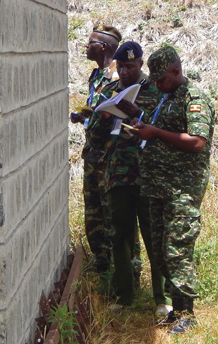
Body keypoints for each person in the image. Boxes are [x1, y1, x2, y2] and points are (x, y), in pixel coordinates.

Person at [132, 46, 215, 333]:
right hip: (159, 188)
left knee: (177, 250)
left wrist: (154, 132)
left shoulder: (194, 99)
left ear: (176, 71)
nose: (157, 84)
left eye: (161, 79)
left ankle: (186, 315)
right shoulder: (167, 98)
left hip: (182, 190)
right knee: (160, 250)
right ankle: (175, 310)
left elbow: (197, 142)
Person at [88, 42, 171, 312]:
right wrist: (103, 115)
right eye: (121, 66)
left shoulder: (156, 93)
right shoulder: (109, 92)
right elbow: (95, 138)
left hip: (147, 176)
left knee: (153, 236)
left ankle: (162, 299)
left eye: (130, 67)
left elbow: (166, 128)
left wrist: (138, 114)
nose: (124, 72)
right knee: (120, 236)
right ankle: (124, 297)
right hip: (117, 176)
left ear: (141, 66)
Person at [69, 25, 122, 272]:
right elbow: (100, 110)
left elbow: (117, 116)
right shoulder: (97, 75)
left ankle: (122, 268)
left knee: (112, 213)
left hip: (109, 158)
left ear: (103, 47)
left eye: (90, 42)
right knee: (93, 214)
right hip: (92, 155)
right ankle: (101, 263)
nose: (86, 46)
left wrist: (91, 119)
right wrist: (85, 115)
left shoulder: (117, 77)